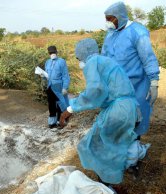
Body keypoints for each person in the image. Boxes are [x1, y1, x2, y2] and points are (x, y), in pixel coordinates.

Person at [60, 38, 149, 185]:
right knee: (109, 142)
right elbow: (104, 90)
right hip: (129, 107)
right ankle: (129, 157)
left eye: (78, 58)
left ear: (83, 54)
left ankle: (107, 183)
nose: (79, 62)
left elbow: (95, 91)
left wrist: (70, 108)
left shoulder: (92, 62)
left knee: (98, 146)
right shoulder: (105, 61)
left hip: (118, 110)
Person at [102, 1, 160, 138]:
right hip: (116, 88)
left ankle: (133, 155)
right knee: (119, 122)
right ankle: (122, 153)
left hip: (136, 86)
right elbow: (104, 58)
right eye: (106, 19)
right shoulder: (110, 34)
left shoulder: (137, 32)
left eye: (111, 19)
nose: (108, 22)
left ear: (120, 16)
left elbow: (148, 58)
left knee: (134, 121)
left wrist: (154, 82)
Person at [44, 45, 70, 128]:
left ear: (56, 52)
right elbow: (47, 75)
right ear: (49, 53)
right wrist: (43, 75)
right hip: (50, 86)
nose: (52, 54)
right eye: (50, 53)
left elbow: (65, 76)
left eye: (53, 52)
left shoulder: (61, 61)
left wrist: (65, 87)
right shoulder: (47, 62)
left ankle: (60, 122)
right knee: (51, 105)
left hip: (59, 87)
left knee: (60, 104)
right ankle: (52, 123)